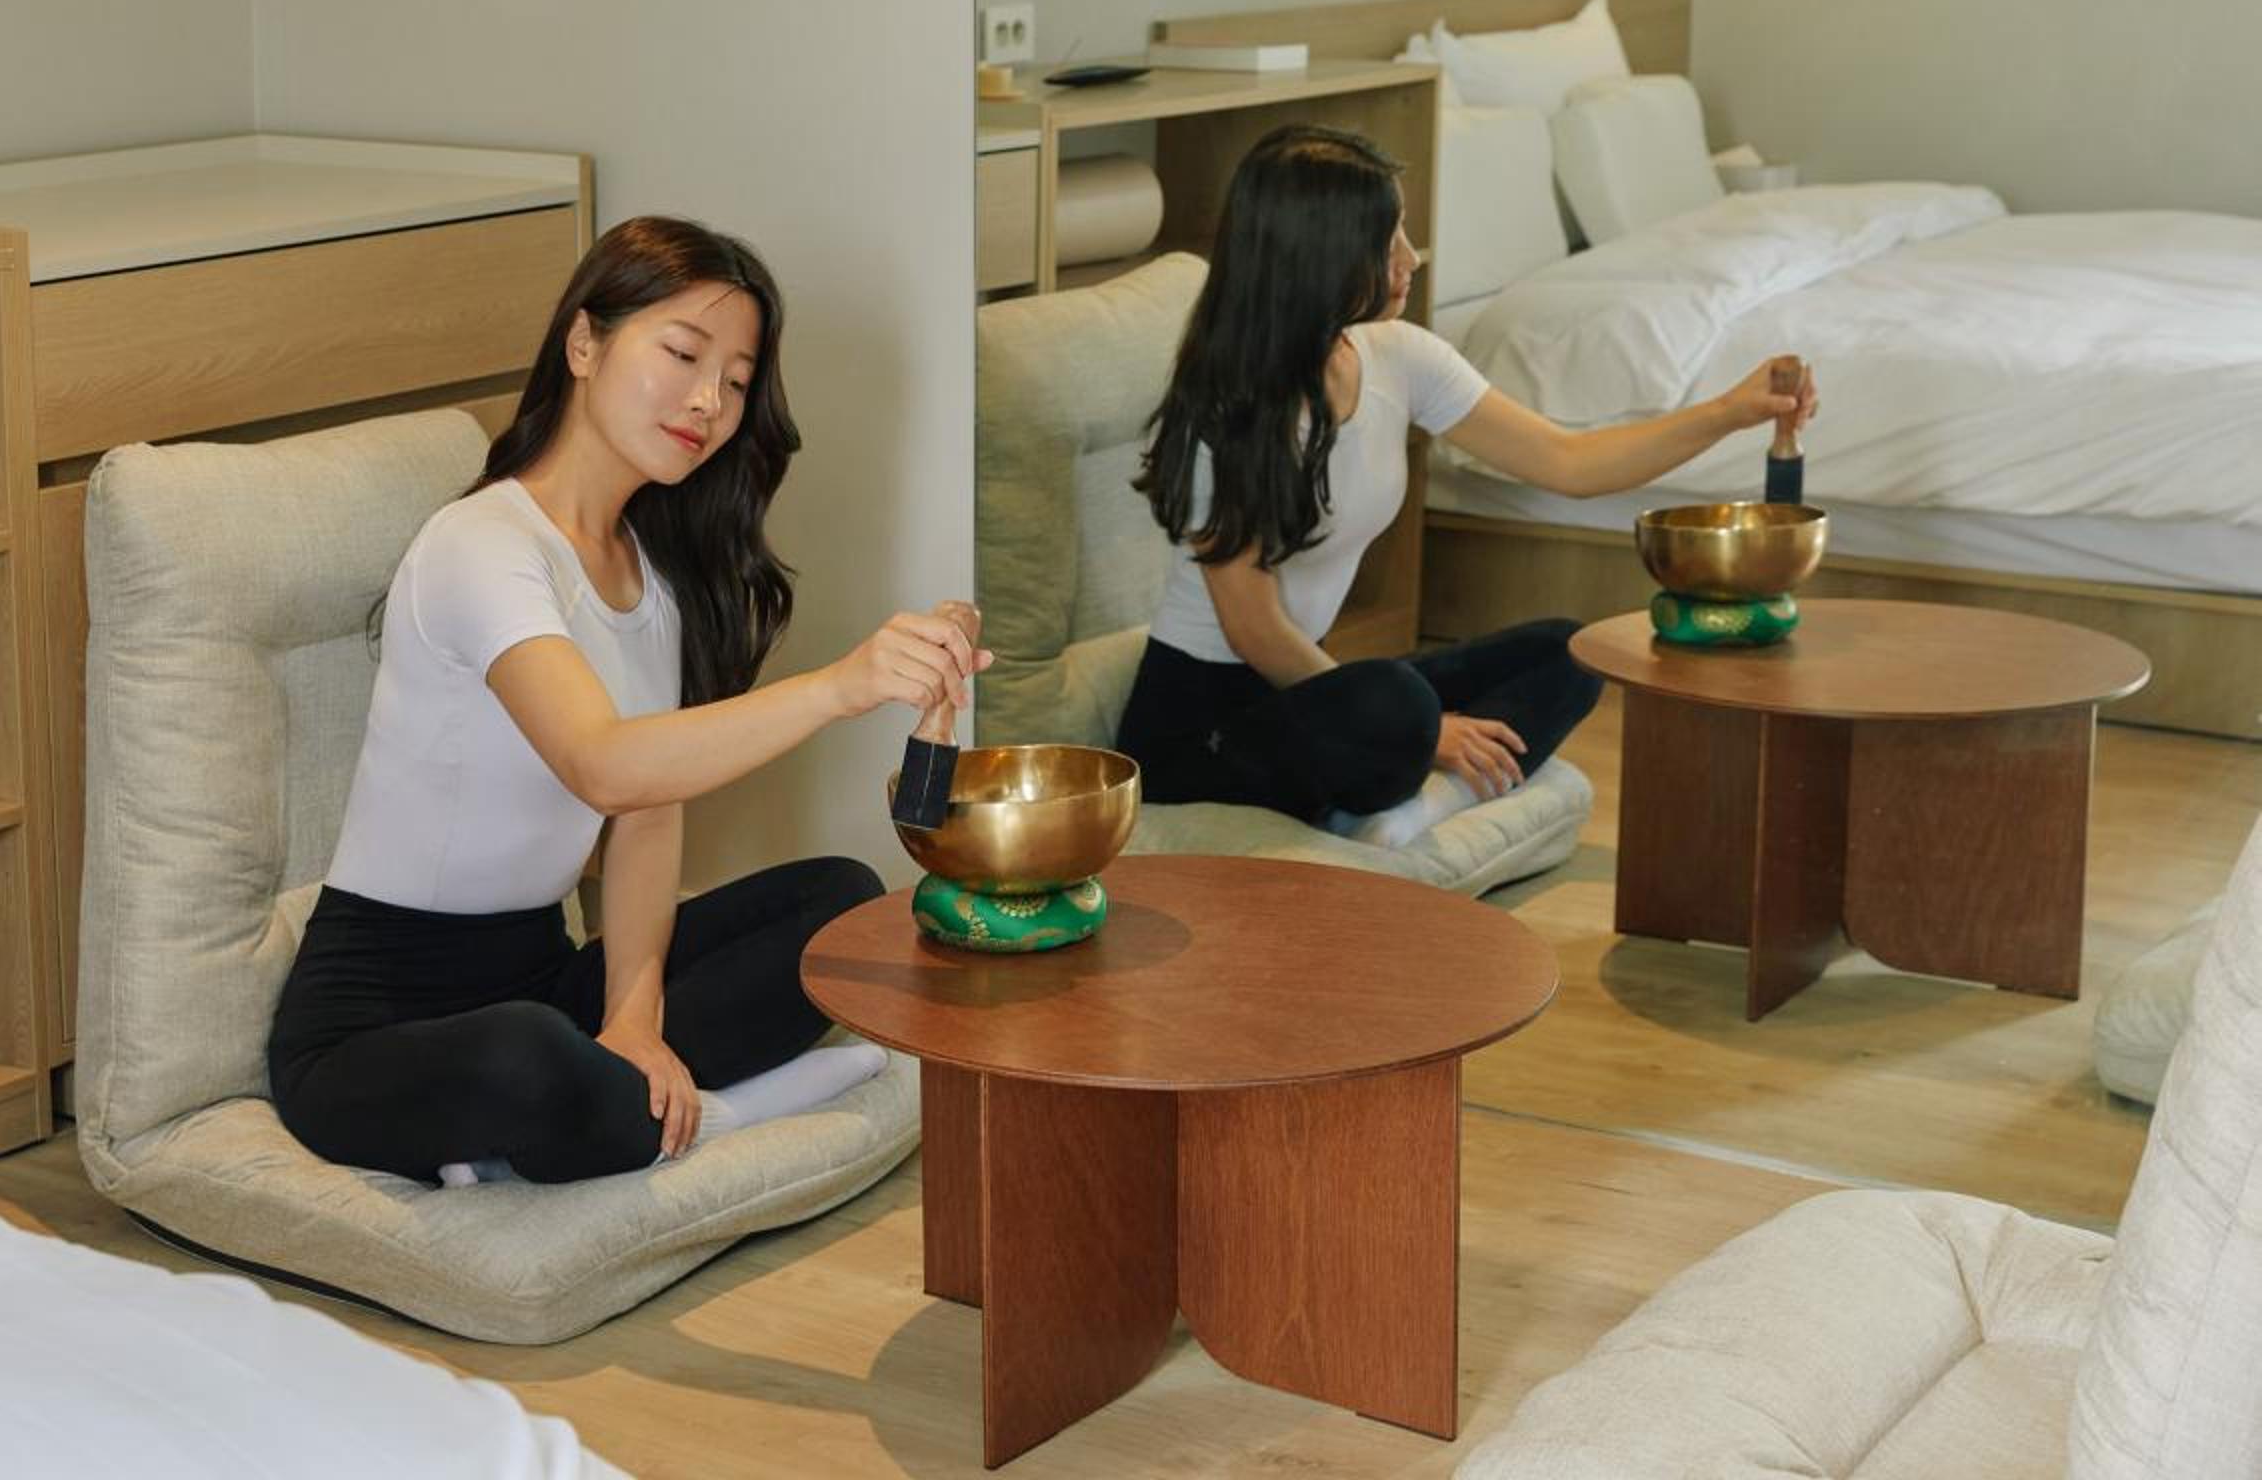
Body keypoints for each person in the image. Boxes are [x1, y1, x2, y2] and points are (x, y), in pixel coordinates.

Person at [267, 216, 987, 1185]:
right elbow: (600, 763)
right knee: (525, 1057)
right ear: (584, 342)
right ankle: (709, 1112)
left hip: (541, 977)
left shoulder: (654, 576)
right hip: (374, 1023)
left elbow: (647, 810)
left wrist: (634, 1020)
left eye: (735, 381)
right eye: (684, 354)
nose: (708, 401)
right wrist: (837, 688)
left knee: (840, 906)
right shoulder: (482, 543)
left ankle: (607, 1104)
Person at [1115, 125, 1815, 845]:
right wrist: (1429, 733)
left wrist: (1732, 411)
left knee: (1569, 650)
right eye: (1385, 239)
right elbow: (1256, 632)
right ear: (1320, 254)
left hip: (1316, 694)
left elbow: (1570, 463)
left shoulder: (1398, 358)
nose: (1409, 257)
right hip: (1205, 731)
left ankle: (1419, 810)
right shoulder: (1227, 413)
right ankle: (1400, 776)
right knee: (1394, 707)